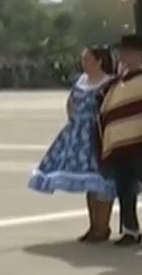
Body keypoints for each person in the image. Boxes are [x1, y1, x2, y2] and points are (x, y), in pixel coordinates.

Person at [29, 46, 118, 241]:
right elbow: (70, 102)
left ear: (99, 61)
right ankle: (94, 225)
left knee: (101, 182)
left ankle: (103, 226)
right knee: (88, 182)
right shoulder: (81, 81)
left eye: (87, 59)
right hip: (77, 134)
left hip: (98, 135)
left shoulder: (109, 83)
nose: (83, 63)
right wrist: (73, 119)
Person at [99, 33, 142, 250]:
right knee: (124, 187)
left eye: (127, 52)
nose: (123, 56)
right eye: (122, 52)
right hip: (122, 143)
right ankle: (130, 229)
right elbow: (107, 109)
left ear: (141, 54)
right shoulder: (118, 82)